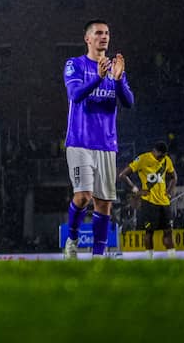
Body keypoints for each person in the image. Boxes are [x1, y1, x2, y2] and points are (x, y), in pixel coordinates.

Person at [62, 19, 136, 259]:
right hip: (79, 141)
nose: (104, 37)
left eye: (107, 32)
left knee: (103, 204)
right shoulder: (74, 65)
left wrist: (117, 78)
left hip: (106, 143)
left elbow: (128, 102)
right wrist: (97, 77)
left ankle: (97, 257)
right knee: (83, 196)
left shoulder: (116, 68)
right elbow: (75, 94)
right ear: (88, 39)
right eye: (98, 33)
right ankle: (72, 240)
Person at [118, 141, 177, 258]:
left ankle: (172, 259)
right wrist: (136, 190)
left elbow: (174, 177)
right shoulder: (143, 159)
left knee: (168, 232)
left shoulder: (166, 160)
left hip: (164, 203)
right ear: (154, 151)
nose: (162, 159)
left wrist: (169, 191)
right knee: (149, 233)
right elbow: (122, 175)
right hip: (149, 203)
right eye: (160, 156)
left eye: (164, 156)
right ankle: (149, 259)